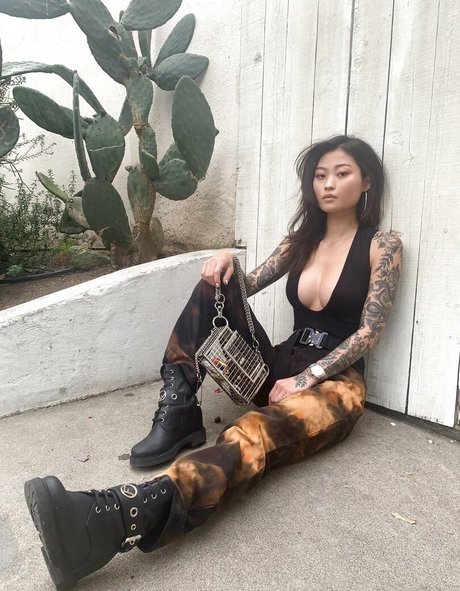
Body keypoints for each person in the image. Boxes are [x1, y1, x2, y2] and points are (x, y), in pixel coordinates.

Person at [24, 135, 402, 590]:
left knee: (253, 431)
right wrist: (224, 260)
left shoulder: (382, 244)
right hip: (280, 366)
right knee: (213, 285)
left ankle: (120, 517)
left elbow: (370, 331)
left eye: (342, 173)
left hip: (334, 384)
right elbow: (246, 285)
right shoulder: (301, 240)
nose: (329, 184)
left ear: (366, 181)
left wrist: (308, 377)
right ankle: (180, 406)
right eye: (320, 175)